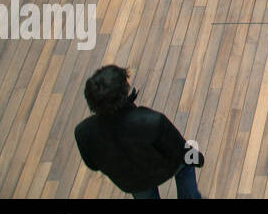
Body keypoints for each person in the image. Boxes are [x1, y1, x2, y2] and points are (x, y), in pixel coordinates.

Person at [74, 65, 203, 199]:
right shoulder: (152, 121)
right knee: (186, 165)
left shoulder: (83, 132)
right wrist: (197, 159)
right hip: (163, 169)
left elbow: (93, 165)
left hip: (131, 181)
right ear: (125, 90)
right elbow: (179, 149)